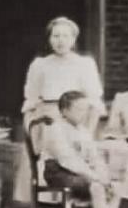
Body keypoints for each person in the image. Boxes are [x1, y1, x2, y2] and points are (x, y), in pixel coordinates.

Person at [39, 90, 128, 208]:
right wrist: (96, 178)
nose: (83, 114)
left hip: (81, 174)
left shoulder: (83, 131)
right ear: (64, 111)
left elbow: (95, 158)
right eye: (78, 109)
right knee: (96, 187)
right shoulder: (55, 129)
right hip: (59, 174)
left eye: (85, 109)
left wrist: (104, 178)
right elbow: (67, 160)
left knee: (116, 188)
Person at [20, 16, 103, 153]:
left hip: (76, 120)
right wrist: (33, 134)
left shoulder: (85, 64)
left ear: (74, 39)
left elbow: (94, 101)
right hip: (47, 122)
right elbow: (31, 101)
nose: (61, 40)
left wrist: (87, 134)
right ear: (49, 39)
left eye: (65, 36)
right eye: (56, 36)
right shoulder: (40, 65)